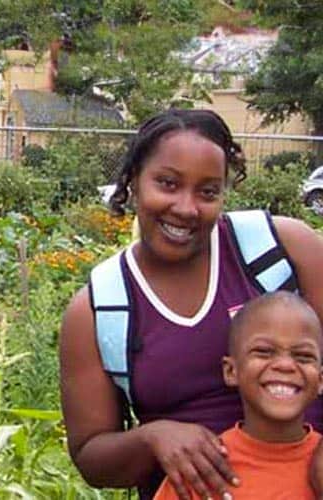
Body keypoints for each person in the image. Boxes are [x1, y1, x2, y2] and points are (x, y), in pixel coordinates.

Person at [59, 108, 323, 500]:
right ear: (133, 182)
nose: (186, 208)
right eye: (167, 183)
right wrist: (153, 438)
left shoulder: (281, 251)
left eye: (208, 192)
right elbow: (91, 456)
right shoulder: (101, 307)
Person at [154, 291, 323, 499]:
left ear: (321, 379)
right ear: (231, 371)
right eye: (264, 351)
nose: (285, 365)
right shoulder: (202, 468)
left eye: (303, 356)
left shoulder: (320, 463)